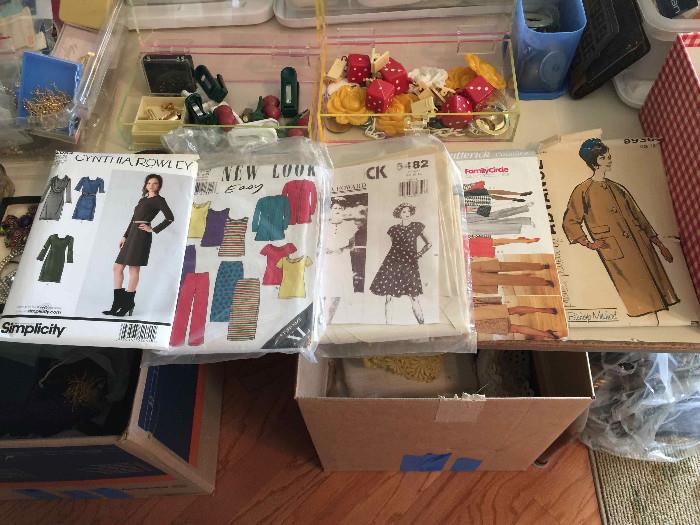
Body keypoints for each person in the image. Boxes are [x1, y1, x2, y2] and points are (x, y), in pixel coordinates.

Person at [562, 138, 679, 317]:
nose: (609, 159)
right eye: (604, 157)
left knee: (659, 293)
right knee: (640, 299)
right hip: (615, 249)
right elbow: (570, 221)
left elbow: (639, 216)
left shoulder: (618, 188)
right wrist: (588, 243)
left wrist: (660, 245)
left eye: (609, 156)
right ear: (594, 162)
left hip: (642, 245)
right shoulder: (583, 190)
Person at [103, 174, 174, 316]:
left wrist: (152, 229)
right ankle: (117, 304)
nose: (151, 185)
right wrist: (125, 236)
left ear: (159, 186)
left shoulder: (159, 200)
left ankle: (128, 303)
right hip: (131, 235)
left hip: (141, 236)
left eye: (155, 183)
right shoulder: (143, 199)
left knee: (133, 269)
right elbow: (133, 219)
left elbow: (170, 218)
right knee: (117, 267)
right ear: (146, 185)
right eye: (149, 183)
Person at [370, 203, 431, 324]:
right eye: (404, 212)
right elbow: (394, 246)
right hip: (392, 263)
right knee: (388, 297)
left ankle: (422, 325)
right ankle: (388, 327)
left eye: (408, 211)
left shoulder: (417, 226)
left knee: (414, 297)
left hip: (409, 263)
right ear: (399, 214)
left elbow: (429, 243)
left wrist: (419, 254)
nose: (407, 214)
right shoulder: (393, 229)